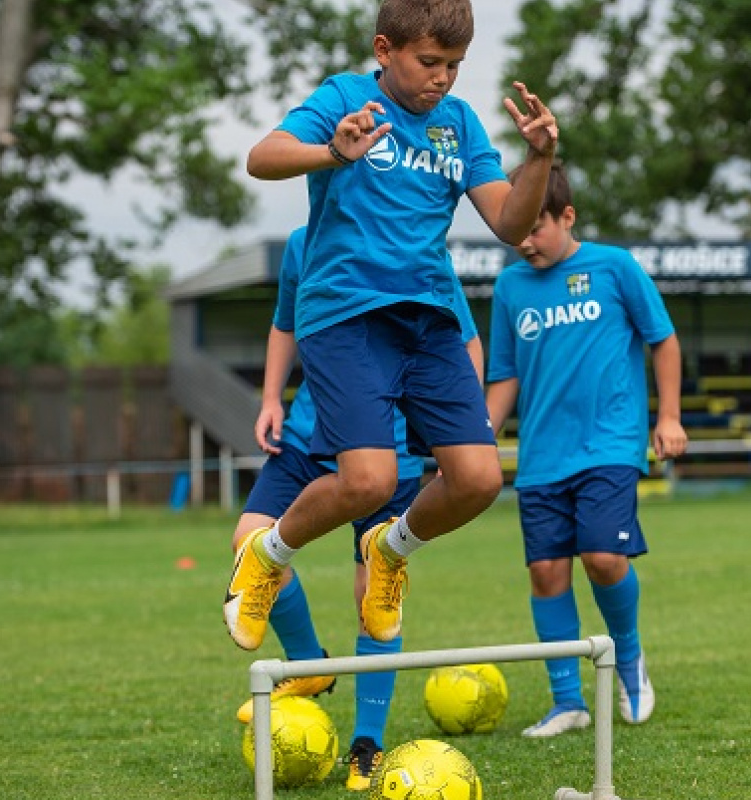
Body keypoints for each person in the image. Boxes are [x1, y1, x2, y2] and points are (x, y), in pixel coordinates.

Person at [224, 0, 557, 657]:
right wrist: (330, 151)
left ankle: (390, 547)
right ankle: (268, 554)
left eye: (455, 65)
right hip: (346, 314)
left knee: (479, 481)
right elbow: (262, 158)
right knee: (369, 482)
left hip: (429, 317)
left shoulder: (459, 125)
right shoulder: (346, 97)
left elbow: (511, 225)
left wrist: (540, 158)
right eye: (429, 62)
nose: (443, 78)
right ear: (385, 50)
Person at [233, 225, 484, 790]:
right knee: (247, 542)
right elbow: (285, 323)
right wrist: (272, 396)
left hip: (388, 449)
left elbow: (464, 339)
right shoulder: (303, 243)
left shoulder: (414, 242)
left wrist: (459, 434)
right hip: (305, 439)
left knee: (372, 588)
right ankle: (308, 667)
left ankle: (366, 743)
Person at [486, 161, 688, 737]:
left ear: (566, 217)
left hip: (610, 444)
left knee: (601, 559)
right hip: (541, 457)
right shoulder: (509, 286)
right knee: (547, 574)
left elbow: (664, 340)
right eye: (515, 230)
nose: (524, 241)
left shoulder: (615, 266)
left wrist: (668, 416)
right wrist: (477, 437)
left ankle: (629, 662)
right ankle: (568, 702)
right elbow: (505, 376)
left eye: (536, 227)